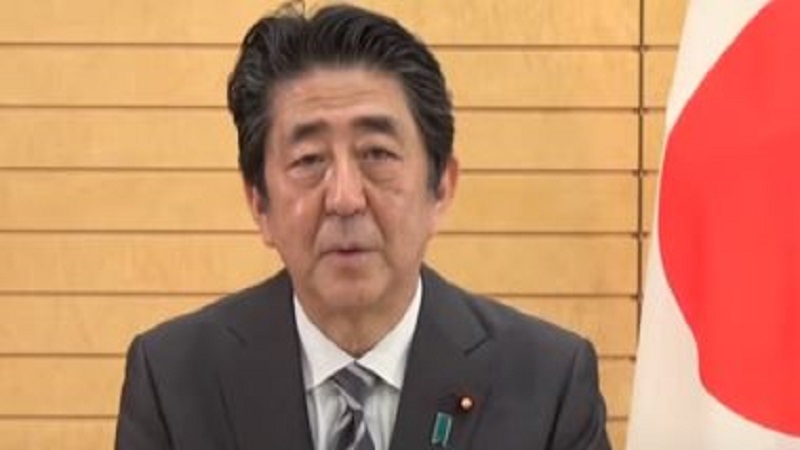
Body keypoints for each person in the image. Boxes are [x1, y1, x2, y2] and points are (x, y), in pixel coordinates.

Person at [114, 2, 610, 449]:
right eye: (309, 160)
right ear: (259, 203)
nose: (345, 199)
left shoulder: (549, 385)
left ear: (441, 187)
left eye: (377, 153)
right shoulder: (175, 382)